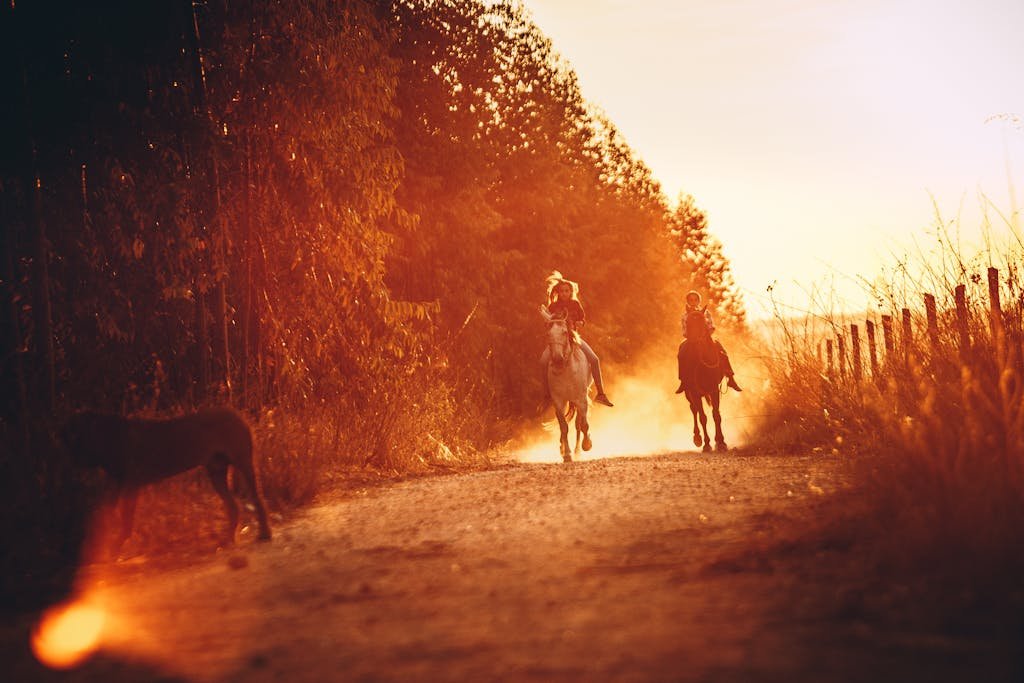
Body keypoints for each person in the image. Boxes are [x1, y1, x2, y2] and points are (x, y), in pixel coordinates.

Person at [541, 272, 614, 407]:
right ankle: (546, 395)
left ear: (571, 292)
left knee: (594, 359)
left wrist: (580, 323)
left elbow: (582, 319)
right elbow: (549, 323)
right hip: (557, 342)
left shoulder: (575, 304)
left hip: (574, 339)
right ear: (558, 292)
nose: (564, 293)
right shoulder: (553, 307)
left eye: (567, 291)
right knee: (543, 361)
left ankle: (601, 394)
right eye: (562, 291)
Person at [675, 290, 742, 393]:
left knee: (722, 351)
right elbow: (684, 330)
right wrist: (691, 336)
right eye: (691, 300)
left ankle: (731, 378)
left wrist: (705, 335)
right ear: (688, 301)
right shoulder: (685, 315)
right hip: (691, 340)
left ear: (698, 301)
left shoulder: (706, 313)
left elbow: (711, 327)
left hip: (705, 339)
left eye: (695, 299)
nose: (693, 301)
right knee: (681, 353)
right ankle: (683, 381)